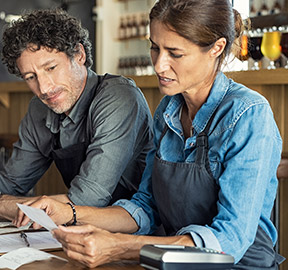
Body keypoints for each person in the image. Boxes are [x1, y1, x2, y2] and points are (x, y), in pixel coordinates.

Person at [15, 0, 285, 268]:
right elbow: (145, 207)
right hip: (167, 262)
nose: (159, 65)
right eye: (155, 48)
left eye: (175, 53)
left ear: (217, 48)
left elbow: (230, 241)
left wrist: (122, 247)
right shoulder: (168, 109)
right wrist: (69, 213)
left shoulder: (248, 115)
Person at [0, 9, 153, 221]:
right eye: (30, 77)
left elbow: (86, 200)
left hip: (137, 231)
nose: (44, 88)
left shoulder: (118, 97)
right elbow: (11, 181)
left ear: (79, 55)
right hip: (82, 231)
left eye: (51, 68)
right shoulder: (39, 108)